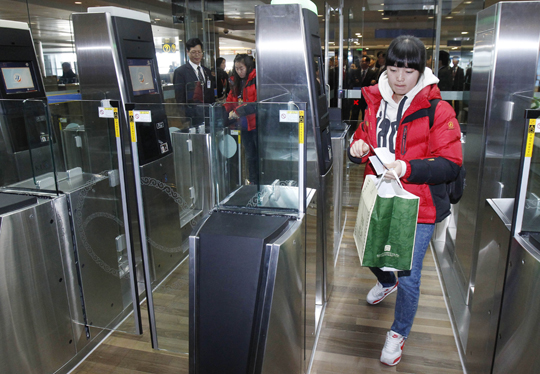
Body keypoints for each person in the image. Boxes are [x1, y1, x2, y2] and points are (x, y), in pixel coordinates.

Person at [349, 35, 462, 366]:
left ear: (421, 71)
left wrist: (406, 167)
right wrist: (357, 150)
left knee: (408, 273)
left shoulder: (437, 109)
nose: (399, 78)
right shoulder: (375, 101)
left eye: (408, 71)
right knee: (369, 251)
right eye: (394, 68)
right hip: (379, 196)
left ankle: (398, 333)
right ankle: (386, 282)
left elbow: (450, 162)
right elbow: (363, 138)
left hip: (419, 204)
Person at [224, 54, 258, 185]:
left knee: (258, 154)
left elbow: (255, 103)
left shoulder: (256, 79)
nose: (239, 71)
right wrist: (225, 109)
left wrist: (237, 111)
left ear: (248, 67)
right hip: (244, 125)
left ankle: (262, 180)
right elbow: (231, 100)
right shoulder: (235, 82)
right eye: (237, 68)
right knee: (250, 155)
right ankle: (253, 182)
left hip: (256, 124)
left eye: (241, 68)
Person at [173, 38, 214, 124]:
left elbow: (210, 94)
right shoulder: (180, 72)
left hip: (208, 115)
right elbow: (180, 98)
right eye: (193, 52)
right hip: (192, 116)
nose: (197, 55)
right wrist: (185, 119)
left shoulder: (207, 71)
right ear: (187, 52)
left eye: (199, 52)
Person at [350, 55, 377, 121]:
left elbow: (373, 85)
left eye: (363, 61)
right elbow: (351, 82)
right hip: (356, 96)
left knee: (365, 113)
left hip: (366, 97)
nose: (361, 63)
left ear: (368, 63)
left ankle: (364, 128)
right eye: (360, 61)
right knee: (355, 112)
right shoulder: (355, 72)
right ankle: (353, 128)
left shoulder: (372, 73)